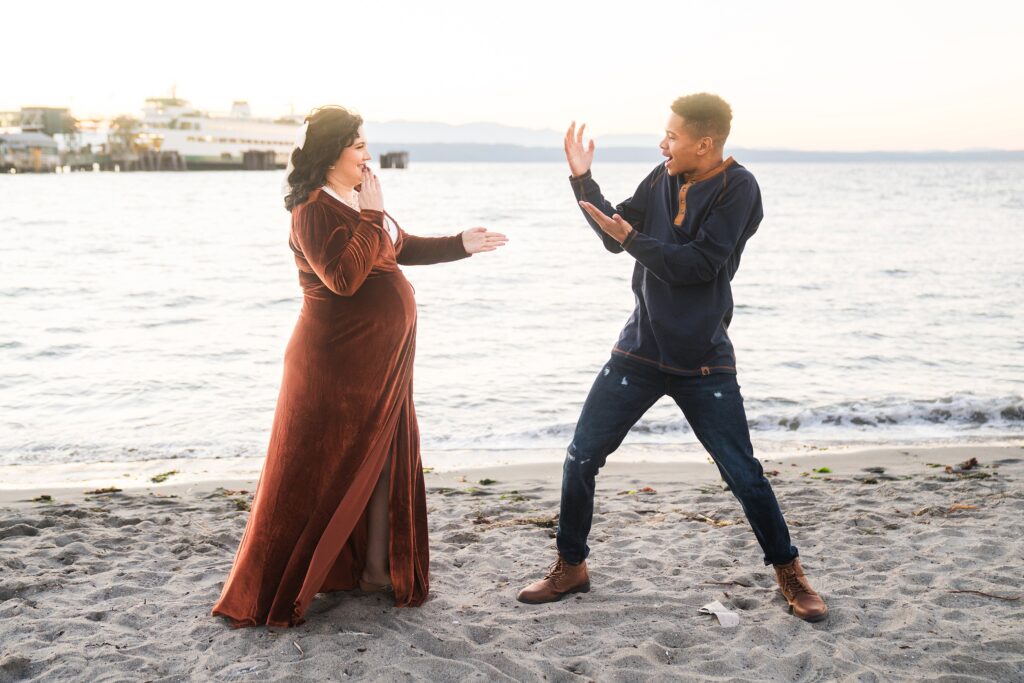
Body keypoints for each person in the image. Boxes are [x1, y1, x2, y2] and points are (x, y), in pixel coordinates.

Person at [516, 93, 827, 622]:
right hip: (640, 348)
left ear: (704, 143)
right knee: (581, 455)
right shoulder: (661, 176)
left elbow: (700, 266)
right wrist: (582, 182)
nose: (664, 144)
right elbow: (617, 235)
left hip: (703, 358)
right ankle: (570, 565)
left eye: (673, 136)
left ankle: (789, 573)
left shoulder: (739, 189)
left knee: (743, 473)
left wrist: (632, 237)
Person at [211, 106, 507, 628]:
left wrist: (461, 244)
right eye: (358, 145)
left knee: (383, 464)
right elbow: (343, 279)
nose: (367, 154)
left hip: (378, 366)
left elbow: (397, 248)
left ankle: (375, 571)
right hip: (335, 366)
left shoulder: (354, 200)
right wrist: (372, 214)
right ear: (331, 155)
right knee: (317, 471)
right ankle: (290, 582)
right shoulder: (311, 211)